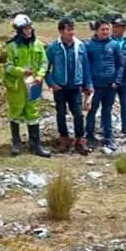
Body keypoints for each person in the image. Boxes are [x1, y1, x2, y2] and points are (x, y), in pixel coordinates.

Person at [4, 14, 51, 157]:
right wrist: (21, 71)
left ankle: (35, 144)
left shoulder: (38, 44)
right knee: (15, 113)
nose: (29, 30)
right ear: (19, 30)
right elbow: (7, 67)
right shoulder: (11, 47)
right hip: (17, 87)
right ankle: (16, 144)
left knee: (33, 113)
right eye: (25, 28)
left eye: (30, 27)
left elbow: (44, 62)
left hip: (34, 85)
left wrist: (40, 75)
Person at [46, 17, 93, 154]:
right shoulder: (54, 47)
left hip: (75, 87)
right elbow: (46, 67)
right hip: (60, 87)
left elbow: (86, 66)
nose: (71, 32)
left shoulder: (80, 46)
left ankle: (80, 140)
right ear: (61, 31)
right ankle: (64, 139)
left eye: (73, 29)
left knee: (78, 114)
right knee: (60, 113)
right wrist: (51, 83)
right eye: (68, 29)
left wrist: (88, 84)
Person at [85, 19, 124, 154]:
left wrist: (117, 81)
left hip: (110, 86)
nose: (105, 32)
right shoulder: (89, 45)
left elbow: (120, 65)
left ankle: (109, 138)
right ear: (96, 31)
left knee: (107, 111)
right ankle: (89, 136)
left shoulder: (114, 45)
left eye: (107, 29)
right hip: (95, 86)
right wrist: (88, 84)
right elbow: (86, 66)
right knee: (92, 111)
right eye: (102, 29)